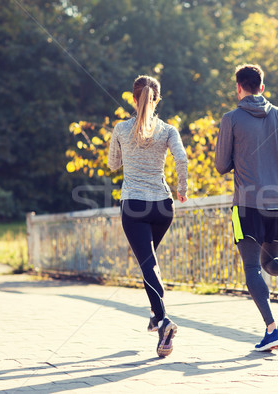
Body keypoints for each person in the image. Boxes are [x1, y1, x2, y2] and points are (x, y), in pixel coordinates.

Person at [215, 64, 278, 352]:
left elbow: (221, 166)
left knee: (251, 267)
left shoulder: (231, 118)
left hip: (246, 205)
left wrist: (240, 157)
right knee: (270, 262)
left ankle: (272, 329)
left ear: (238, 88)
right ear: (262, 87)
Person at [108, 75, 188, 358]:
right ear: (157, 100)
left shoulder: (120, 128)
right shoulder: (168, 130)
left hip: (134, 206)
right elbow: (181, 159)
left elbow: (113, 164)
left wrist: (122, 149)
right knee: (149, 262)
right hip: (163, 206)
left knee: (148, 264)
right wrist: (182, 188)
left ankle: (164, 321)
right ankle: (156, 316)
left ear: (133, 98)